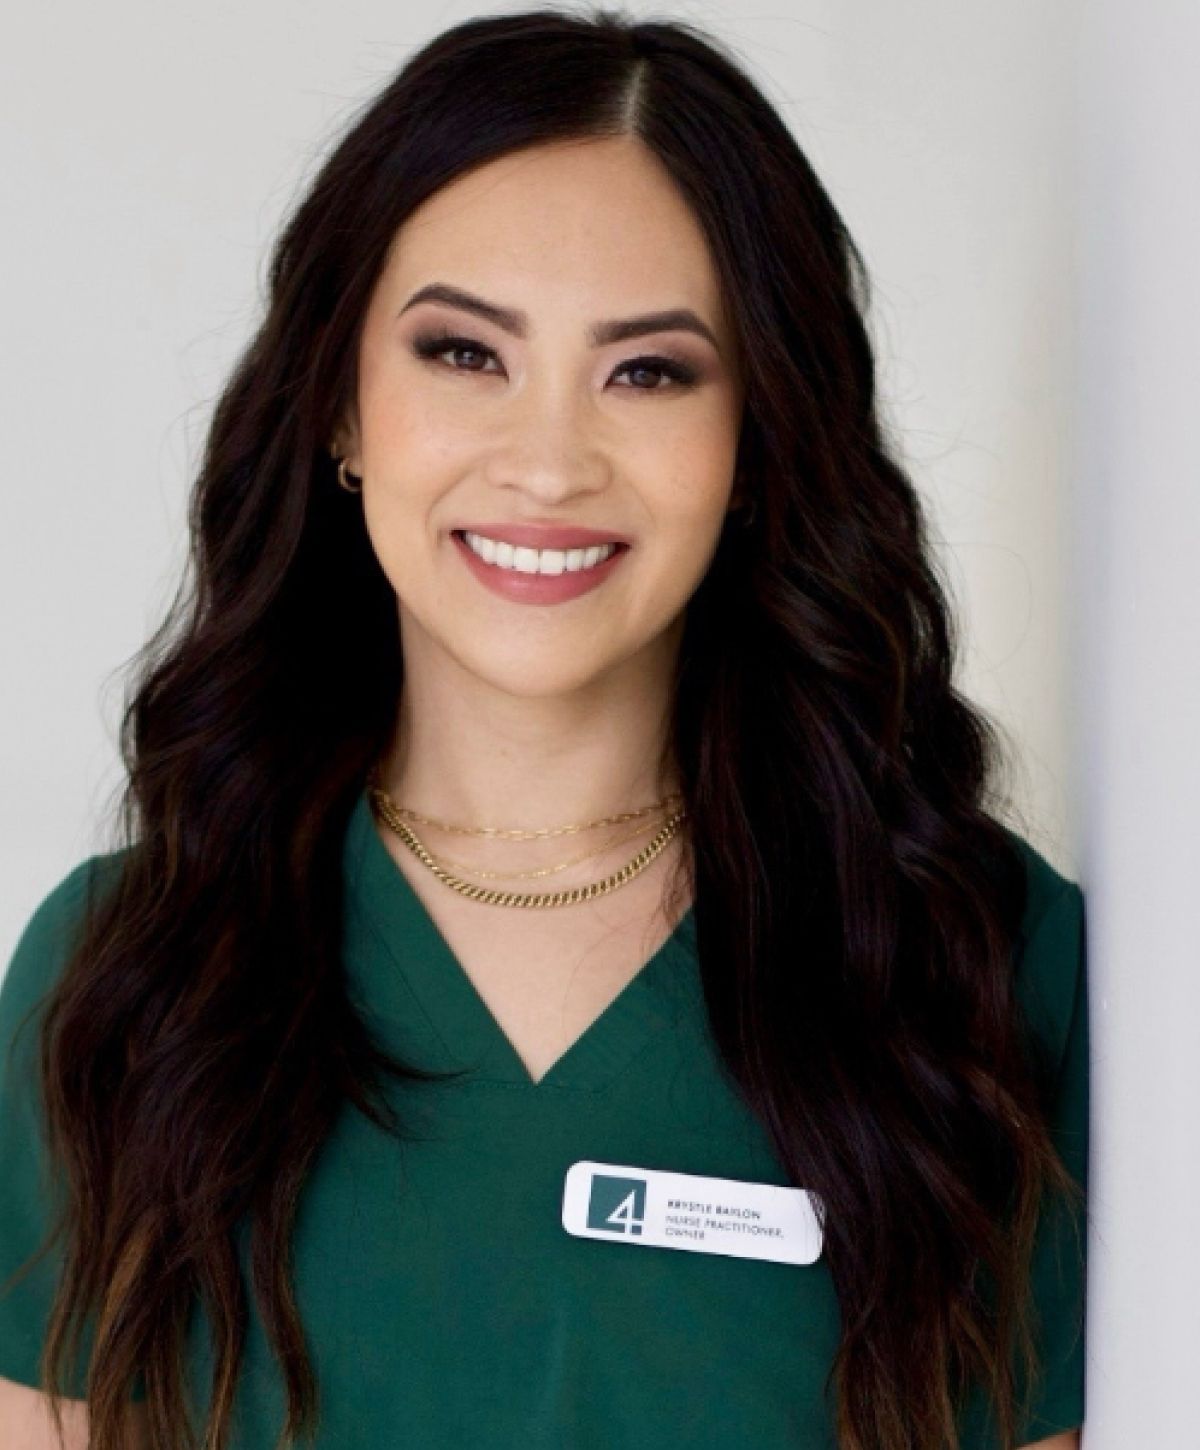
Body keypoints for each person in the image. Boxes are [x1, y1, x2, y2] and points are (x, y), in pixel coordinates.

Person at [0, 8, 1088, 1449]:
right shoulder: (122, 977)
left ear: (758, 441)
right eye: (463, 353)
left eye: (648, 371)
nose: (548, 460)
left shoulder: (969, 963)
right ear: (341, 403)